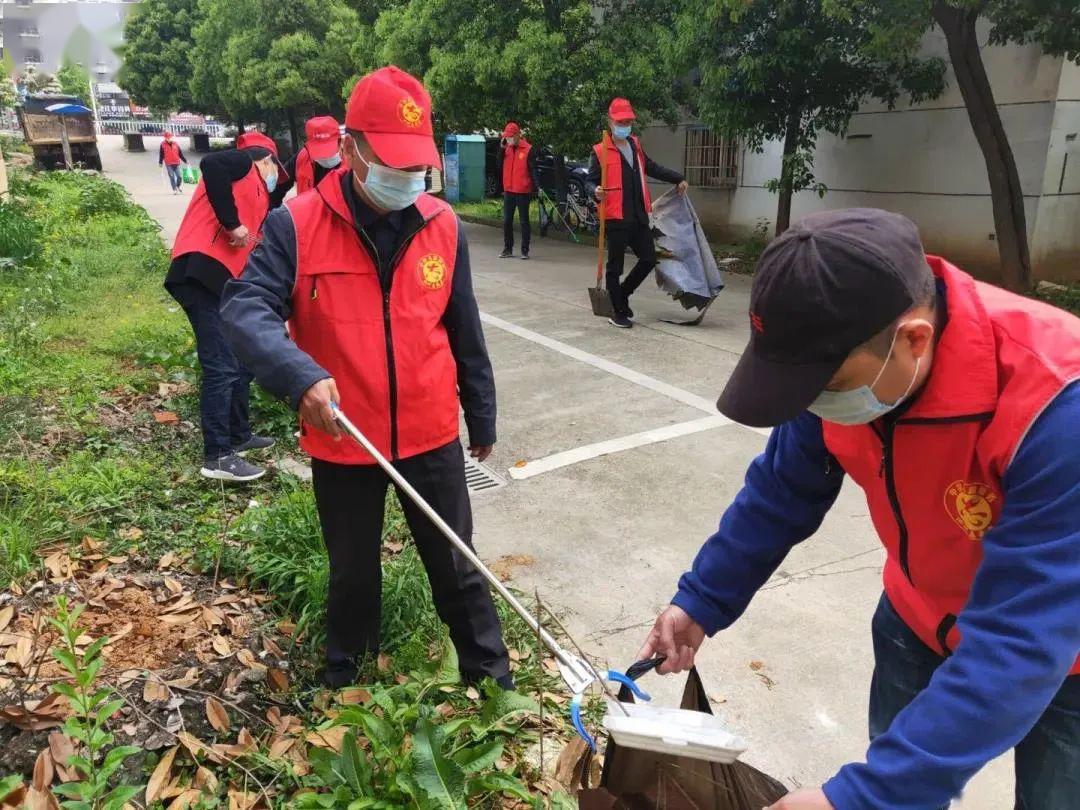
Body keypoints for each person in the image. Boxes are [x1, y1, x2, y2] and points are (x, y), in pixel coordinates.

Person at [638, 209, 1080, 810]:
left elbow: (1023, 639)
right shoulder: (838, 370)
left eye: (826, 383)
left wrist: (863, 797)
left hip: (1062, 652)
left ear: (914, 339)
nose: (811, 405)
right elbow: (781, 492)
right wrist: (702, 599)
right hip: (914, 616)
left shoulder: (1056, 404)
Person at [221, 66, 513, 690]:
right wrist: (301, 377)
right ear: (350, 149)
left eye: (417, 167)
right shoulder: (295, 225)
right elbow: (245, 308)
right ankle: (347, 685)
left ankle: (492, 685)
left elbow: (464, 329)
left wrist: (480, 414)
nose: (408, 180)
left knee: (456, 564)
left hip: (431, 432)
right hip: (345, 435)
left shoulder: (443, 225)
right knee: (353, 572)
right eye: (394, 164)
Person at [165, 131, 284, 482]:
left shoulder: (262, 195)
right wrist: (232, 224)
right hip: (200, 272)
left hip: (222, 281)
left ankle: (239, 434)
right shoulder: (242, 163)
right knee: (220, 364)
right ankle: (216, 455)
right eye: (274, 166)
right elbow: (211, 163)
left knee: (239, 359)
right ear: (267, 160)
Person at [585, 98, 687, 329]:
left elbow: (651, 168)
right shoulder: (600, 150)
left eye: (629, 121)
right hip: (615, 216)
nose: (625, 124)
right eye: (621, 121)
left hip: (639, 215)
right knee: (615, 267)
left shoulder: (634, 145)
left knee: (649, 259)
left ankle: (621, 295)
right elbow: (589, 182)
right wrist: (595, 191)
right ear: (610, 121)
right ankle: (617, 312)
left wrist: (677, 177)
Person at [498, 122, 539, 260]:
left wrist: (536, 187)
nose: (508, 139)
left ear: (517, 135)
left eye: (510, 136)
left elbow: (533, 169)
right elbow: (498, 164)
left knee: (523, 221)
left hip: (522, 190)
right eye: (506, 137)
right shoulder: (506, 149)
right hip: (509, 190)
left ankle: (524, 250)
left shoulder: (528, 149)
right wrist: (502, 149)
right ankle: (507, 248)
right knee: (507, 221)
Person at [276, 116, 342, 198]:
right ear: (309, 145)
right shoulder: (302, 158)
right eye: (319, 151)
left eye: (328, 150)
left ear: (340, 142)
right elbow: (278, 187)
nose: (325, 156)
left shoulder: (355, 161)